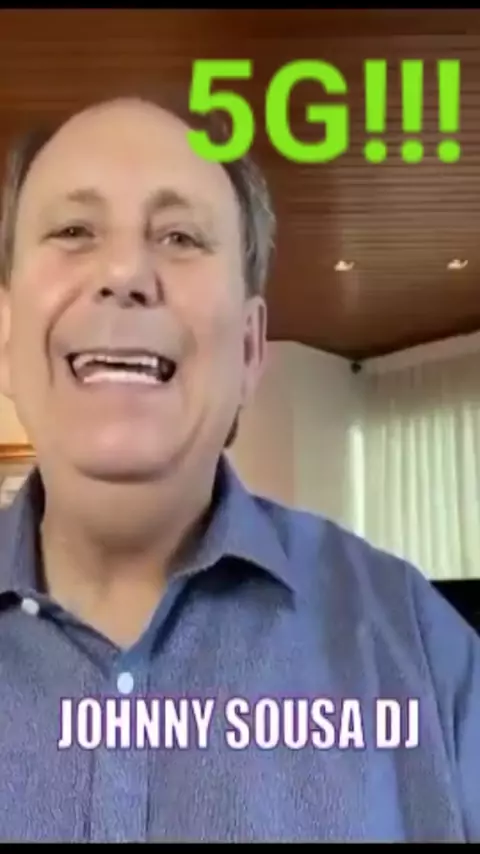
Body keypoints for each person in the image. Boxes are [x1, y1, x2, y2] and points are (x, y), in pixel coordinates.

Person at [0, 95, 478, 844]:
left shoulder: (419, 646)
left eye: (180, 236)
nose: (124, 271)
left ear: (251, 349)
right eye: (72, 231)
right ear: (4, 335)